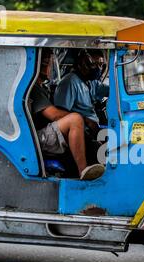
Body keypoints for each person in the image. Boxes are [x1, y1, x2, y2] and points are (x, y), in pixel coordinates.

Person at [30, 49, 105, 181]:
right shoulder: (34, 89)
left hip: (45, 133)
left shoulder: (43, 87)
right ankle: (83, 170)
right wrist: (85, 120)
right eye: (47, 64)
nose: (50, 68)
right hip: (36, 138)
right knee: (75, 119)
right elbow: (54, 114)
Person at [54, 49, 109, 138]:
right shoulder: (69, 82)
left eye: (101, 65)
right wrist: (87, 121)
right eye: (94, 65)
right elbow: (61, 115)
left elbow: (110, 91)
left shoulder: (92, 82)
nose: (98, 69)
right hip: (82, 132)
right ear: (83, 64)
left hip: (95, 127)